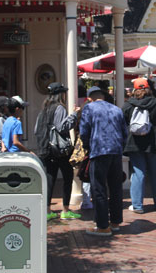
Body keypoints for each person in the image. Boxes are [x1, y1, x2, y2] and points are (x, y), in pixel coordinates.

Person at [79, 86, 128, 236]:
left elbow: (84, 131)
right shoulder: (117, 110)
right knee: (115, 188)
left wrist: (87, 146)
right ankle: (115, 222)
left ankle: (102, 226)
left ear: (90, 98)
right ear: (104, 96)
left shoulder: (89, 108)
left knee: (99, 189)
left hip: (99, 150)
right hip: (116, 152)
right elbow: (125, 133)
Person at [33, 82, 80, 221]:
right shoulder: (59, 108)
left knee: (49, 179)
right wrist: (74, 115)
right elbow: (63, 126)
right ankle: (65, 210)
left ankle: (47, 211)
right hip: (59, 150)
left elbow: (36, 130)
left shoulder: (44, 109)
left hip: (45, 149)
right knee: (67, 177)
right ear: (61, 94)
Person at [122, 78, 156, 213]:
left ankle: (137, 205)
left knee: (138, 173)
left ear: (134, 90)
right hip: (154, 143)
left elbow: (122, 124)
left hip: (134, 143)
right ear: (149, 88)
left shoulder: (128, 105)